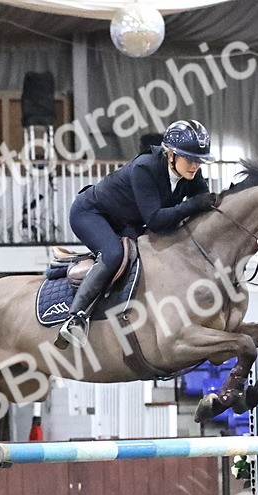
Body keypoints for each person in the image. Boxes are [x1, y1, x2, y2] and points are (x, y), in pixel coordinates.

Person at [56, 119, 217, 350]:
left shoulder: (191, 174)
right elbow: (156, 220)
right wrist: (193, 205)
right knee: (113, 255)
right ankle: (75, 317)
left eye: (199, 160)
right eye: (190, 159)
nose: (195, 165)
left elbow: (201, 204)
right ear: (170, 154)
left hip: (128, 221)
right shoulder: (145, 168)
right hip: (91, 213)